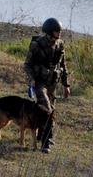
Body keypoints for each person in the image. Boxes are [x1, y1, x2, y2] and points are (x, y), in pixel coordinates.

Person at [23, 17, 71, 153]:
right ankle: (45, 143)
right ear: (50, 32)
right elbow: (27, 65)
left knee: (52, 110)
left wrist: (66, 85)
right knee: (46, 109)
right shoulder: (37, 45)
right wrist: (32, 80)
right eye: (57, 31)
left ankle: (44, 135)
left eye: (60, 31)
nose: (59, 33)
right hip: (39, 82)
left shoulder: (60, 44)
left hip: (52, 83)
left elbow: (63, 65)